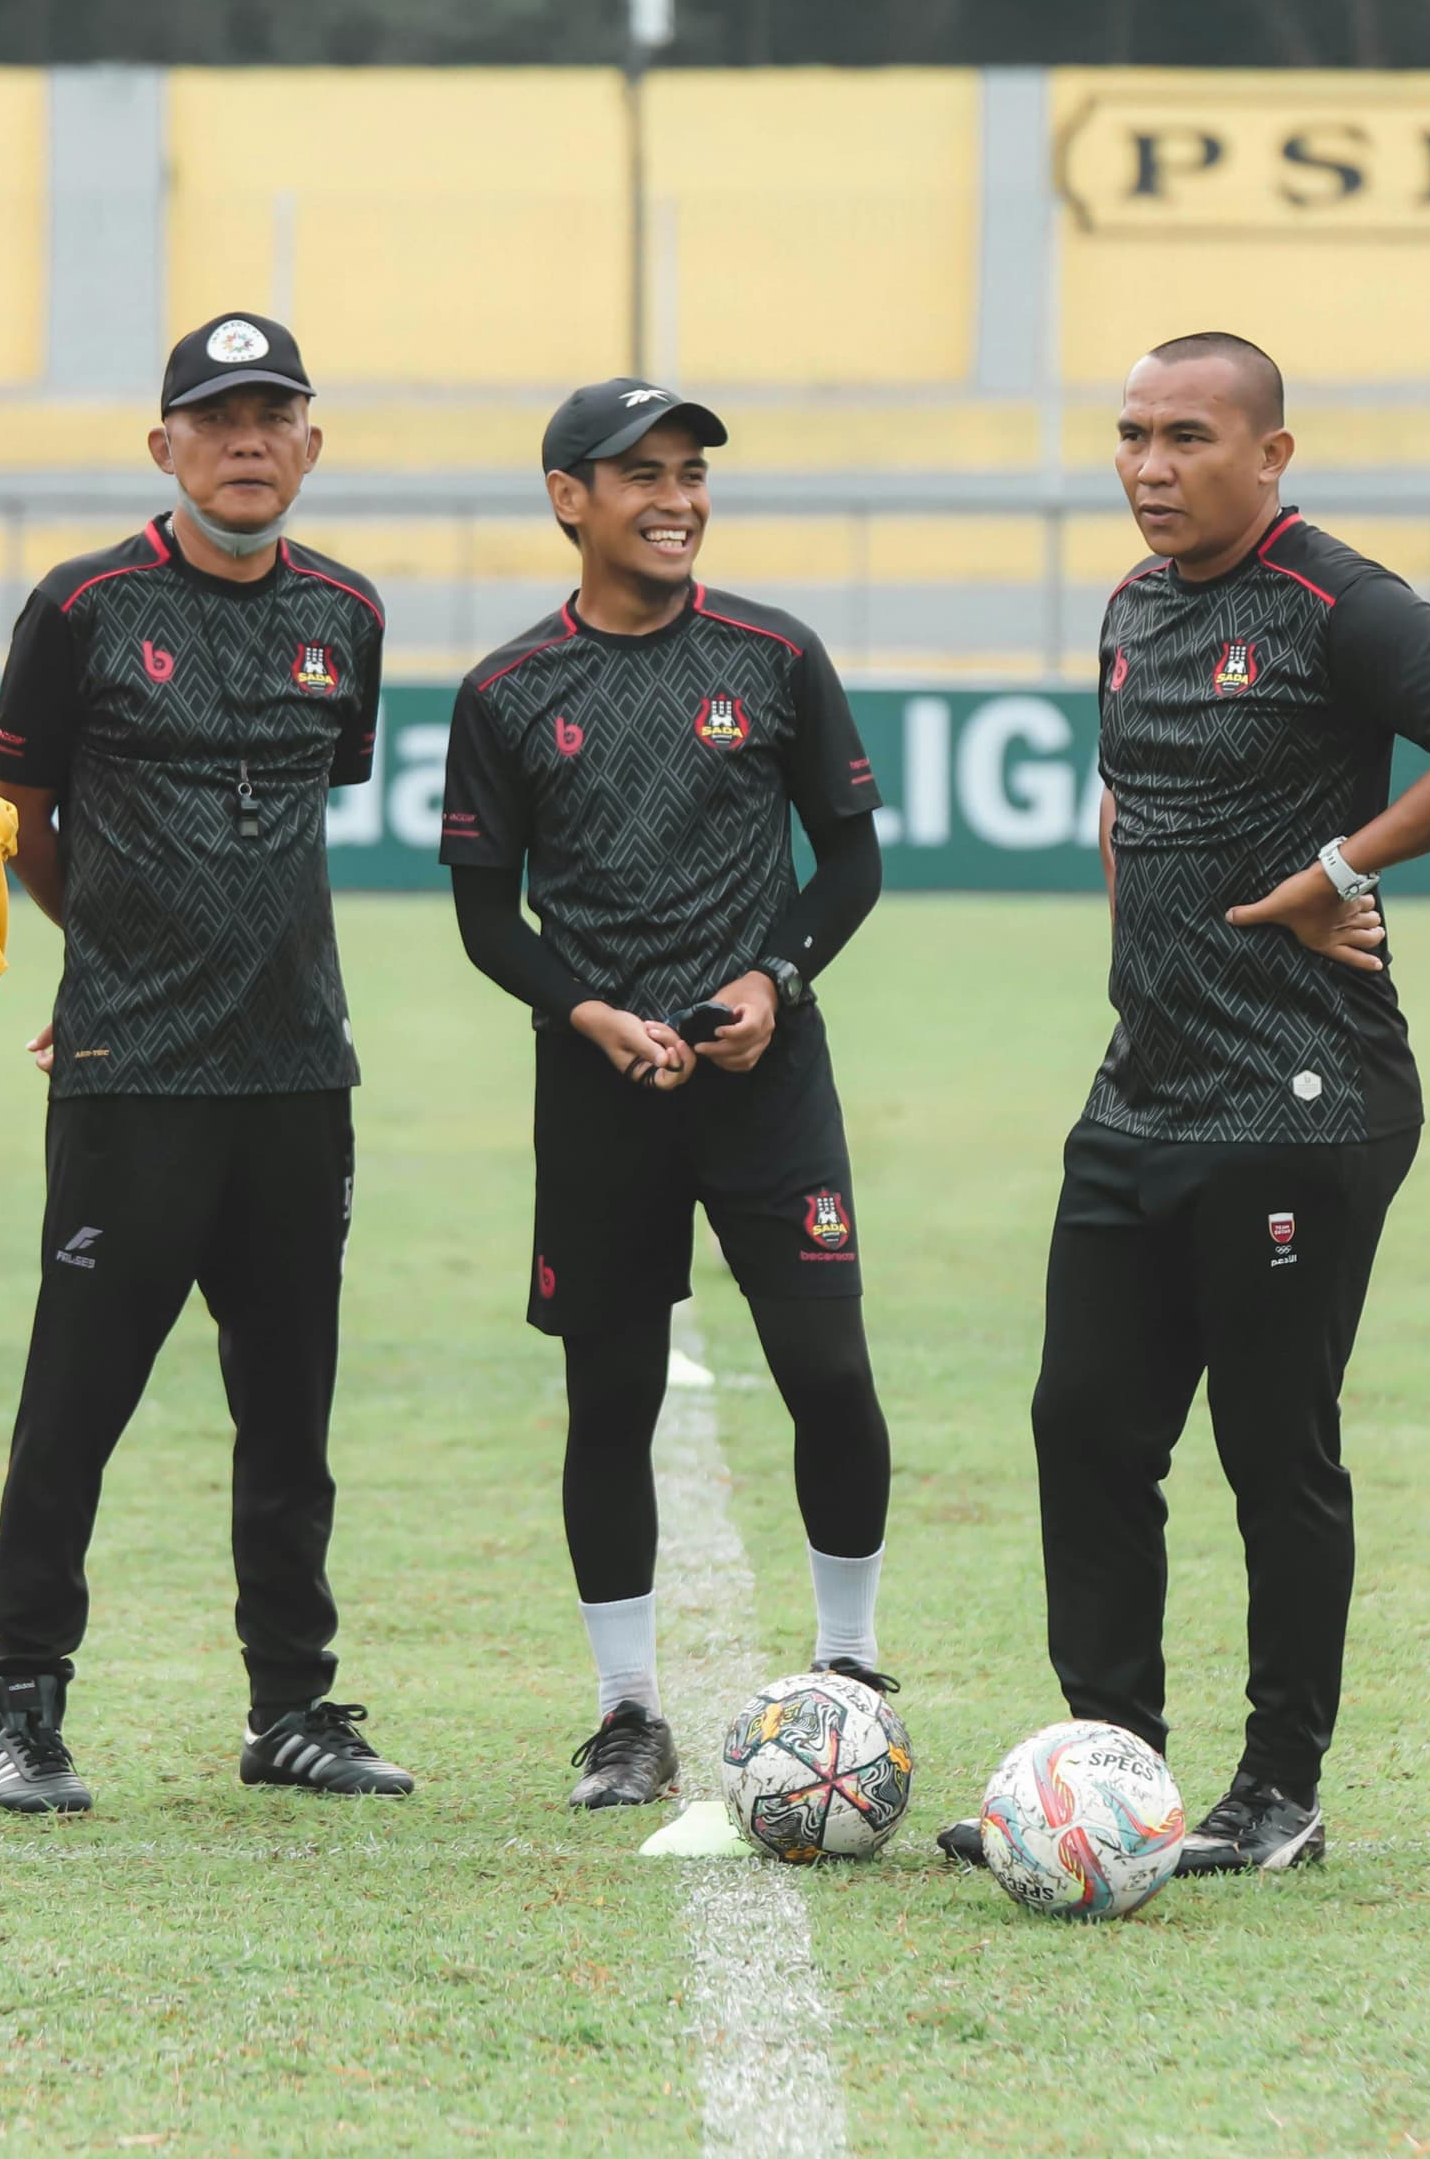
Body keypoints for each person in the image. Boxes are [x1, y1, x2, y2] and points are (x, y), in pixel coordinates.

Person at [939, 332, 1430, 1881]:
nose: (1152, 465)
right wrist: (1134, 970)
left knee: (1269, 1447)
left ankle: (1282, 1785)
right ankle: (1109, 1771)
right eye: (1133, 435)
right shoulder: (1132, 607)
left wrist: (1343, 872)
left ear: (1271, 454)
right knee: (1083, 1428)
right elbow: (1122, 805)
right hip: (1144, 1089)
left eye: (1189, 437)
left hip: (1304, 1094)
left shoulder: (1338, 598)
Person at [0, 311, 410, 1815]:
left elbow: (309, 805)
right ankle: (23, 1708)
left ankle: (292, 1706)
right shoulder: (81, 606)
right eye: (214, 418)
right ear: (162, 447)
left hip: (297, 1074)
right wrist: (99, 950)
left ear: (309, 444)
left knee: (290, 1413)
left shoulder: (345, 611)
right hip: (132, 1069)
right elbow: (18, 809)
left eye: (272, 414)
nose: (244, 441)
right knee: (75, 1405)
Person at [439, 378, 894, 1811]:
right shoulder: (506, 694)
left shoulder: (775, 656)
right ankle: (627, 1714)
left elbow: (852, 865)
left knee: (830, 1378)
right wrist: (586, 1014)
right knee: (609, 1403)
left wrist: (775, 981)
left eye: (691, 472)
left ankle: (853, 1667)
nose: (677, 498)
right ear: (569, 497)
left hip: (769, 1088)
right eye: (641, 474)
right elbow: (484, 917)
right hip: (600, 1098)